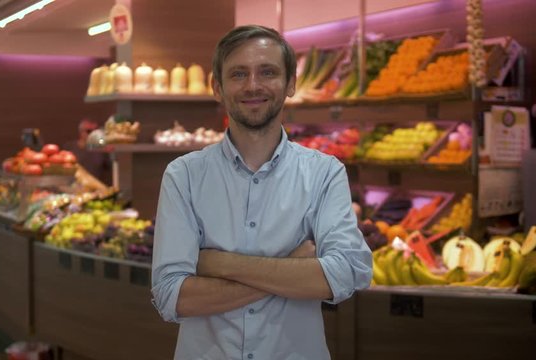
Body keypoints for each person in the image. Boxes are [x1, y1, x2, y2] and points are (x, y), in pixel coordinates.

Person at [151, 25, 372, 360]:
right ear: (217, 87)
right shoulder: (184, 176)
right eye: (239, 74)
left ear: (291, 83)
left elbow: (345, 275)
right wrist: (293, 267)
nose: (253, 85)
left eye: (267, 72)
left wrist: (217, 263)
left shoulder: (324, 173)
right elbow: (173, 297)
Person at [63, 119, 111, 186]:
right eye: (89, 131)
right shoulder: (70, 148)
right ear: (81, 132)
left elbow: (111, 169)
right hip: (73, 189)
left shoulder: (102, 150)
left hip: (96, 190)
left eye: (95, 131)